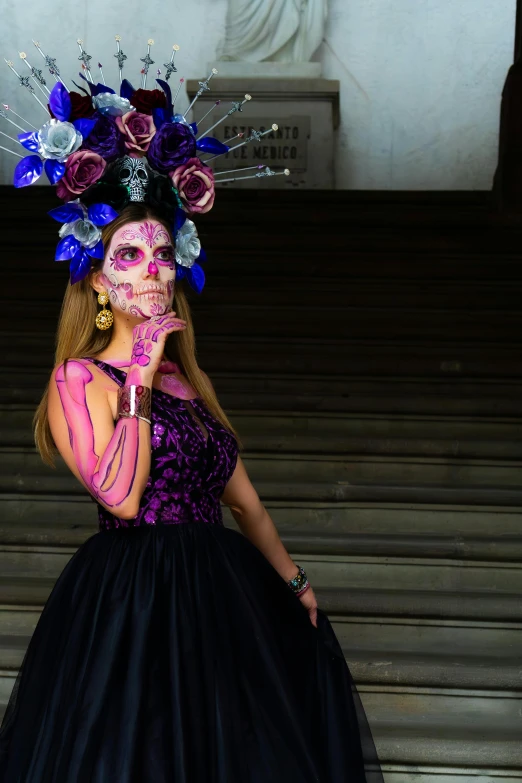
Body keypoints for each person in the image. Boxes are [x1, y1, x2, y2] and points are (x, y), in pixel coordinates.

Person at [0, 38, 384, 782]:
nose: (153, 273)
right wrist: (139, 370)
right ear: (99, 285)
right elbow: (119, 492)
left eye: (162, 253)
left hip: (220, 601)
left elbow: (247, 505)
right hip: (130, 608)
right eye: (131, 257)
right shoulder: (81, 380)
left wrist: (295, 581)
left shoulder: (189, 384)